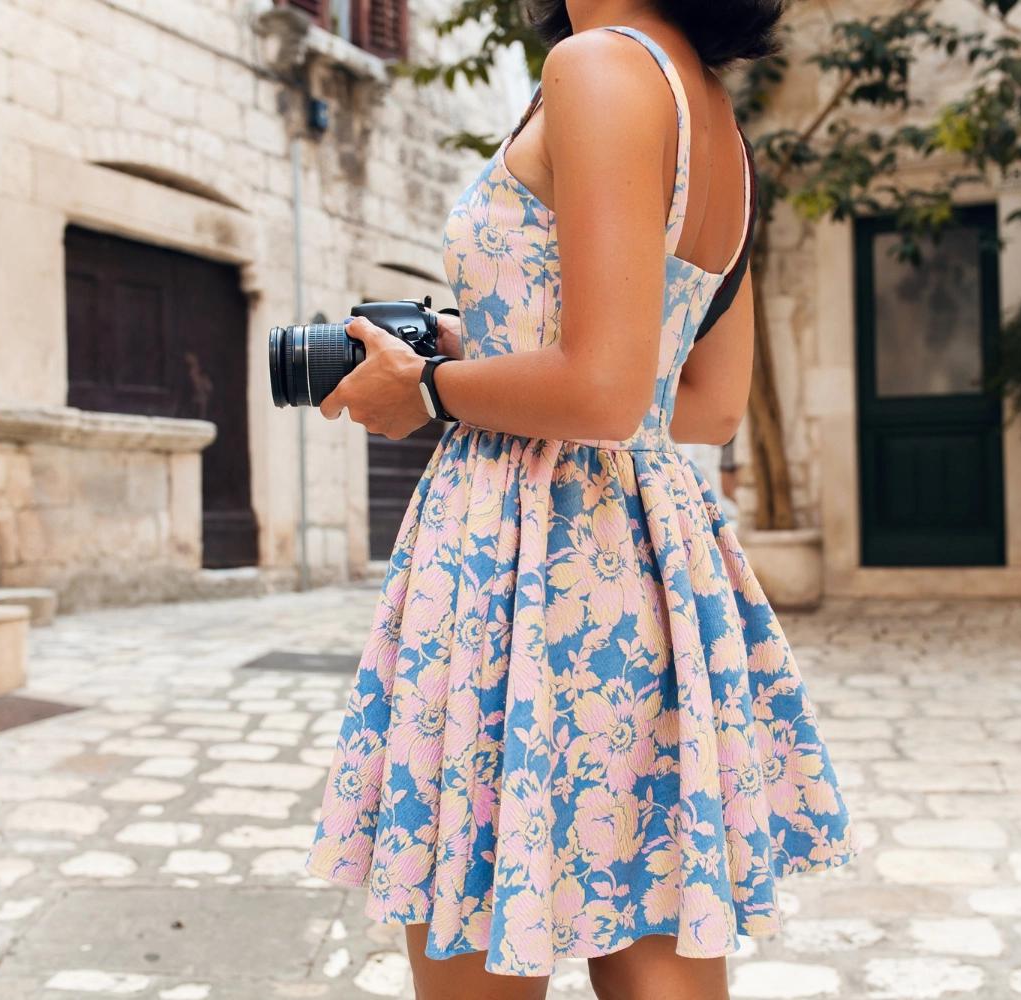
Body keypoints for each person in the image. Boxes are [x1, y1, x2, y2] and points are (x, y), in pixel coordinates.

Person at [305, 3, 858, 997]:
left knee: (475, 933)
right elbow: (702, 405)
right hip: (650, 565)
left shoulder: (597, 67)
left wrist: (423, 388)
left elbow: (602, 393)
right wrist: (476, 347)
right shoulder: (712, 117)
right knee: (654, 939)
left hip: (522, 555)